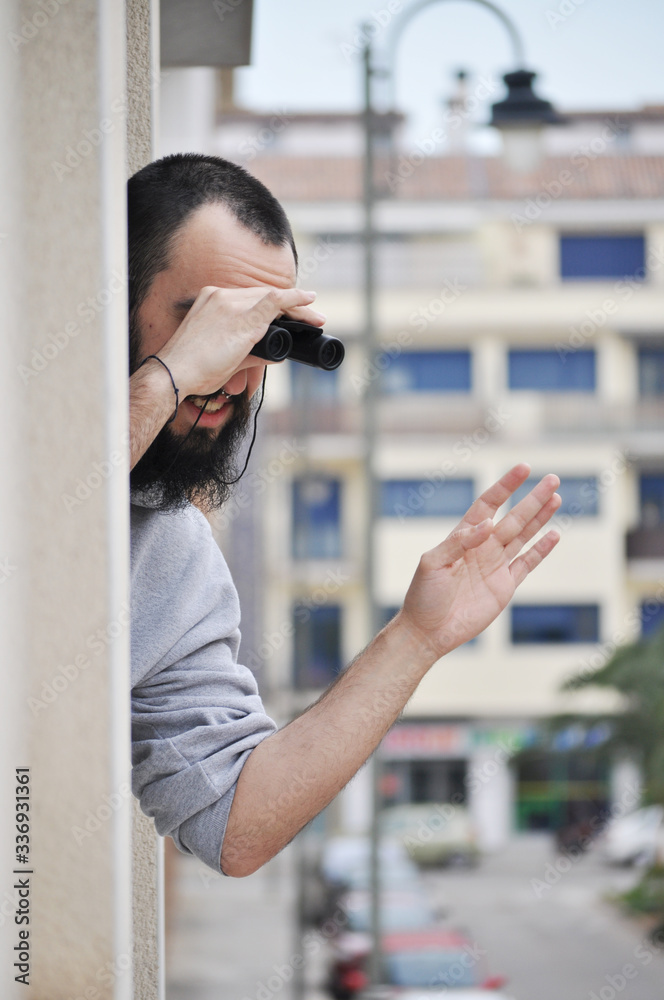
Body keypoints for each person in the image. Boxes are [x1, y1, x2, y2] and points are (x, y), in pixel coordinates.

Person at [128, 153, 561, 877]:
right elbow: (35, 530)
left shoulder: (169, 549)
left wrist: (415, 640)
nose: (231, 372)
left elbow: (235, 823)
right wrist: (167, 380)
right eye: (207, 320)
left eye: (262, 335)